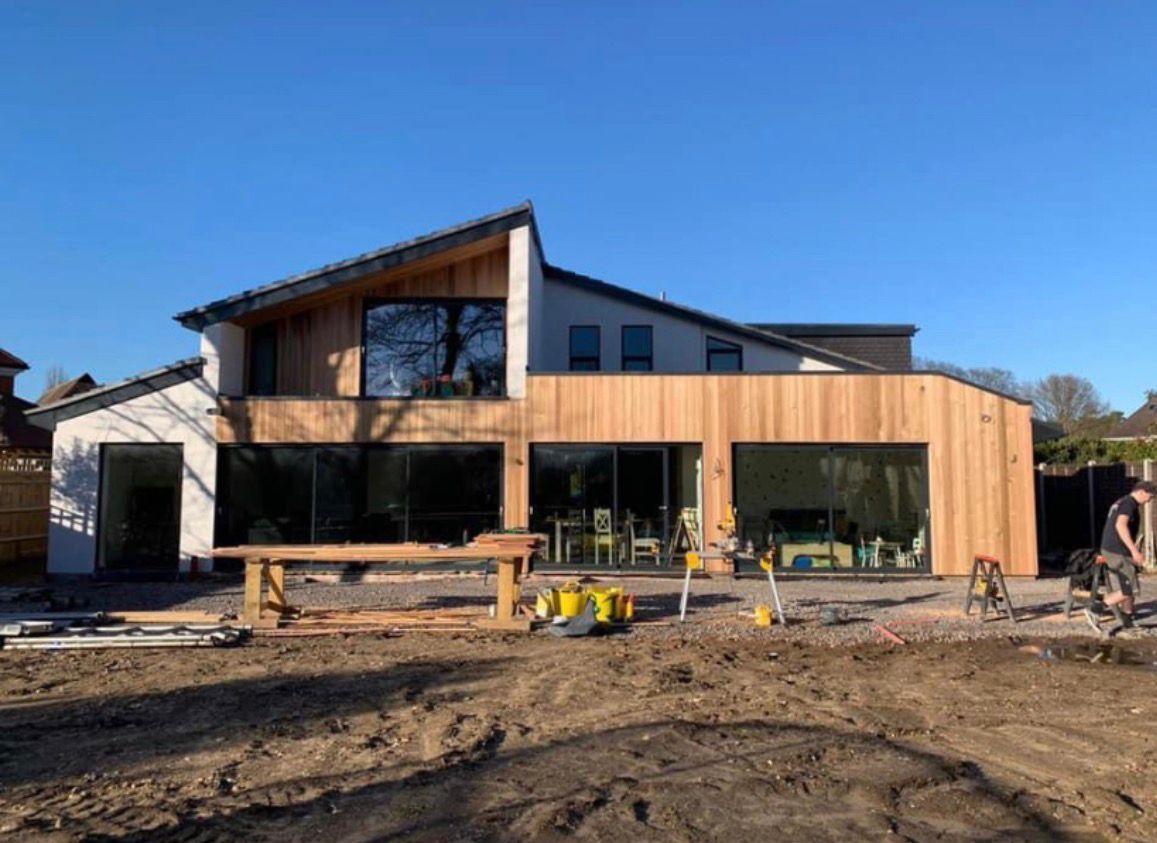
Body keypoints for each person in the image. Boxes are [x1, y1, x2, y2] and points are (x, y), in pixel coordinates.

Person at [1086, 480, 1156, 632]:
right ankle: (1096, 608)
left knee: (1130, 581)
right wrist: (1134, 551)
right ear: (1142, 492)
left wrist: (1132, 546)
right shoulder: (1128, 504)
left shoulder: (1122, 502)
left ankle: (1127, 619)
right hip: (1116, 551)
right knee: (1131, 589)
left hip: (1116, 549)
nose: (1150, 500)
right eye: (1150, 496)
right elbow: (1120, 525)